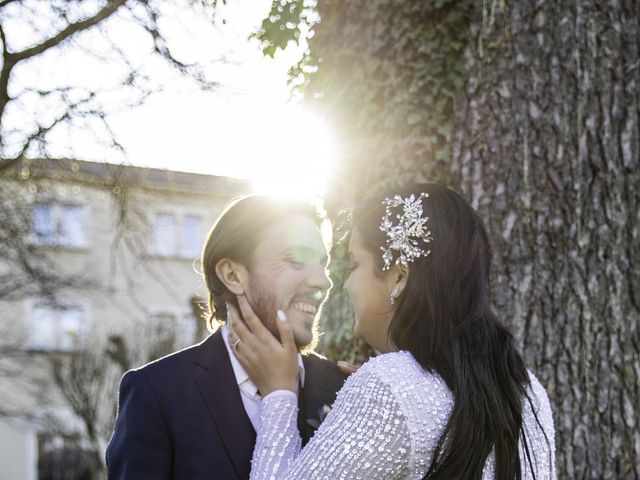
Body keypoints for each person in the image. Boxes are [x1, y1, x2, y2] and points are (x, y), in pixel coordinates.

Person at [228, 183, 556, 479]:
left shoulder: (388, 386)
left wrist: (279, 394)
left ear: (399, 278)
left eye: (355, 265)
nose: (343, 284)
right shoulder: (525, 388)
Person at [105, 196, 347, 480]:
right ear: (232, 275)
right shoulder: (157, 394)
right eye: (296, 260)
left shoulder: (344, 389)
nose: (323, 281)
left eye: (323, 265)